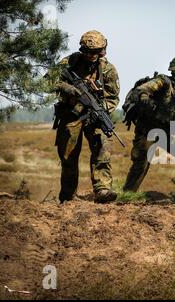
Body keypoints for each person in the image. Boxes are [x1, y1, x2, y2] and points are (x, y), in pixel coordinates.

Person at [52, 30, 120, 204]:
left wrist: (101, 110)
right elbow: (49, 81)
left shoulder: (108, 70)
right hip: (71, 114)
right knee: (68, 155)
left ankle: (102, 189)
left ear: (102, 51)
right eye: (88, 52)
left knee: (102, 149)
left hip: (95, 114)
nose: (91, 56)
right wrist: (68, 89)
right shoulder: (71, 61)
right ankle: (68, 196)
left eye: (96, 52)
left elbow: (113, 98)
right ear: (82, 50)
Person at [122, 56, 175, 198]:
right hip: (148, 130)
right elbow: (141, 90)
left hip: (170, 132)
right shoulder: (163, 81)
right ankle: (127, 196)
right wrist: (147, 102)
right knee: (141, 164)